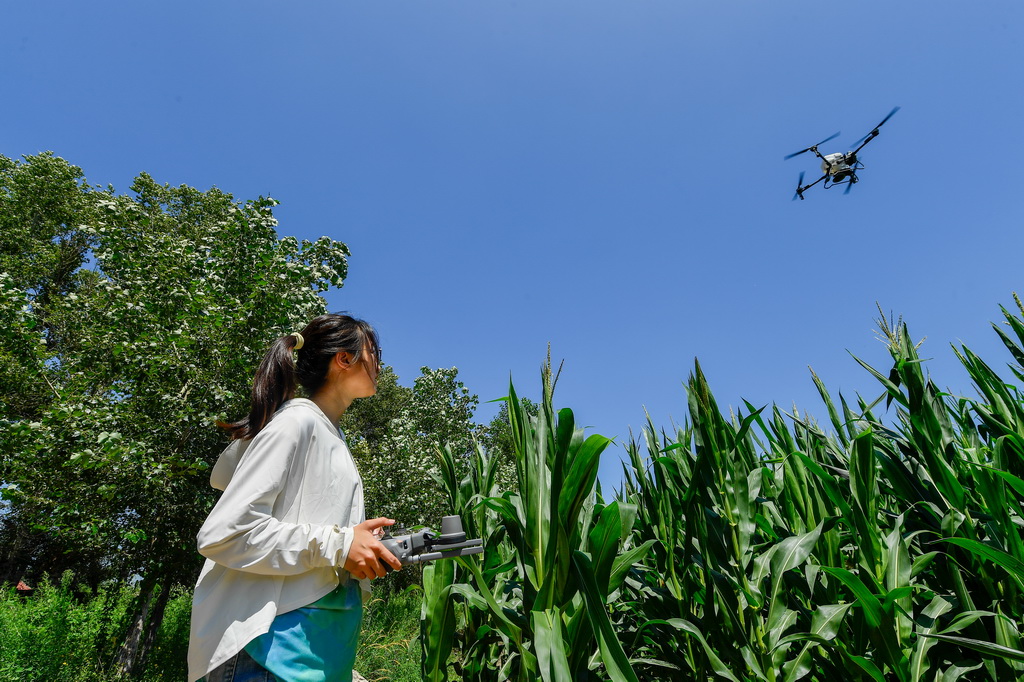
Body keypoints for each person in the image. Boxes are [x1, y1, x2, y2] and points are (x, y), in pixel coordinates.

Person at [187, 313, 402, 682]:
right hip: (266, 656)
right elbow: (225, 534)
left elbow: (316, 559)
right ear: (344, 359)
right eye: (375, 352)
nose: (382, 364)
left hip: (302, 659)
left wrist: (357, 546)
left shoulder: (330, 436)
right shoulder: (296, 422)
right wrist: (339, 544)